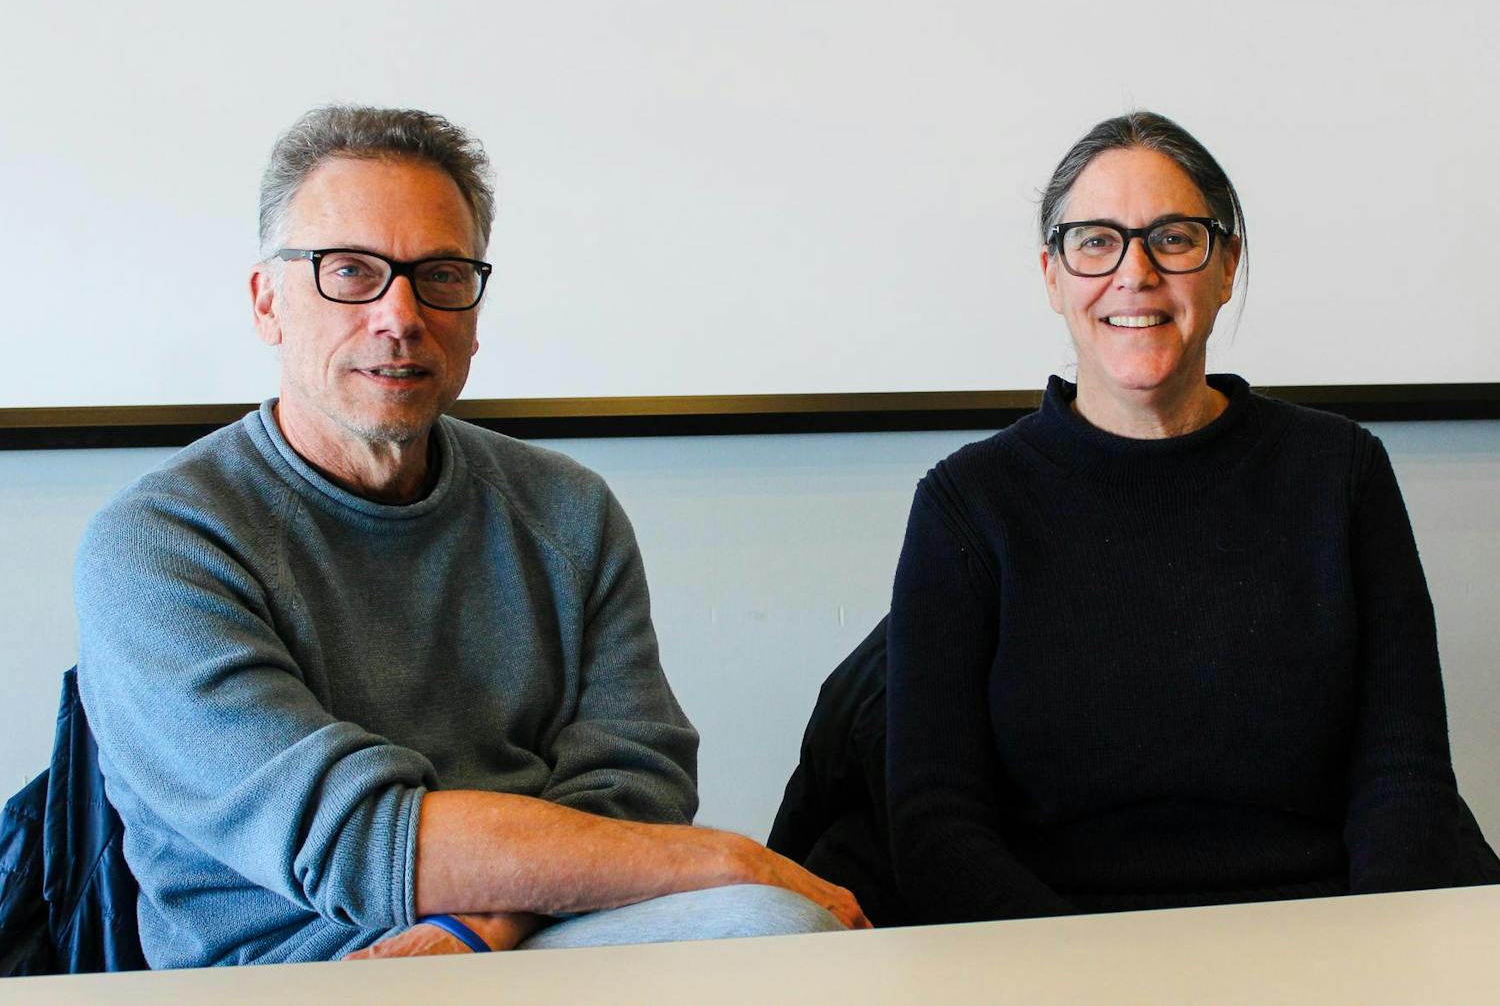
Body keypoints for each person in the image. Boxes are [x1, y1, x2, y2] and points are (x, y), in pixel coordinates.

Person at [75, 105, 866, 969]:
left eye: (441, 274)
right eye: (351, 271)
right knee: (757, 906)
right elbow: (357, 838)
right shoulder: (159, 543)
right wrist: (717, 856)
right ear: (268, 301)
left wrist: (483, 927)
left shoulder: (568, 509)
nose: (401, 314)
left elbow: (637, 780)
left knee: (771, 936)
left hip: (539, 937)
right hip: (296, 965)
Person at [880, 111, 1478, 923]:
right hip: (1056, 957)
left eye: (1173, 237)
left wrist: (1367, 952)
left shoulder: (1340, 475)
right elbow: (935, 829)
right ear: (1052, 276)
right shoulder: (968, 504)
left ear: (1226, 266)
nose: (1135, 273)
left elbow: (1405, 777)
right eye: (1095, 241)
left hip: (1322, 933)